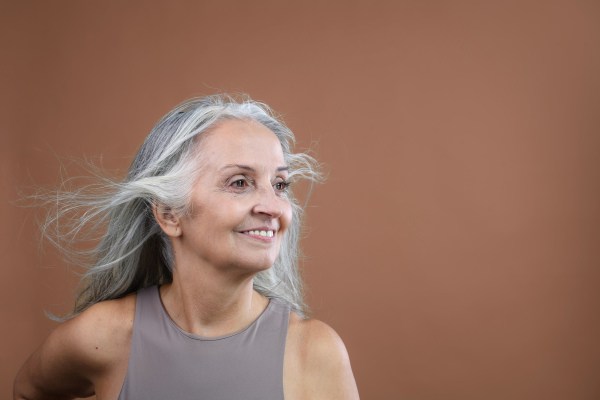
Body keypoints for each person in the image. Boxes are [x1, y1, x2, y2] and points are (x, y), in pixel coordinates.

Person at [13, 94, 360, 399]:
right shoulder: (105, 336)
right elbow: (29, 391)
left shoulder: (314, 353)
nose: (273, 207)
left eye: (280, 184)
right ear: (169, 214)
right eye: (240, 182)